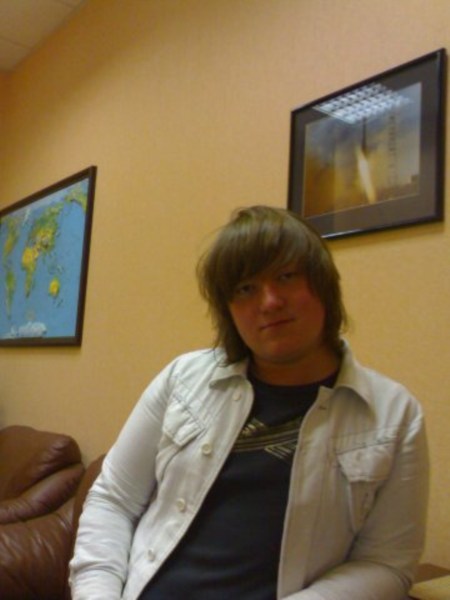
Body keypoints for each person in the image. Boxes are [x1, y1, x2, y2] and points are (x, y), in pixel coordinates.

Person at [69, 205, 428, 600]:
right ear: (228, 310)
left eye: (286, 276)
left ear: (323, 285)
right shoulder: (182, 379)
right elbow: (113, 499)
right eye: (245, 289)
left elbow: (386, 564)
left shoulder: (394, 415)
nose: (269, 302)